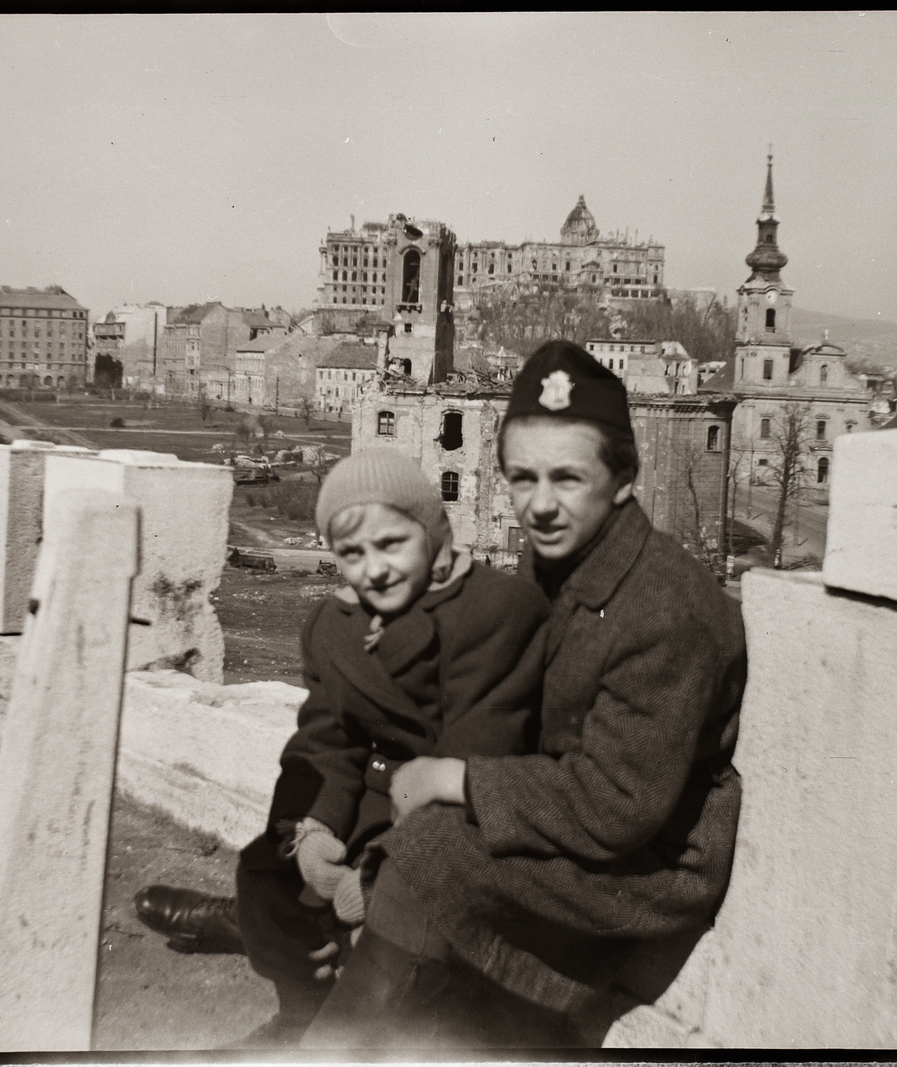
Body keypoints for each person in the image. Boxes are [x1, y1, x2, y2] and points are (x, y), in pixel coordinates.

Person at [299, 340, 747, 1049]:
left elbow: (618, 805)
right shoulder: (563, 553)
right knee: (389, 783)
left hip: (645, 859)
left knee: (434, 853)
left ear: (624, 476)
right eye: (521, 477)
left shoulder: (667, 608)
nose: (539, 505)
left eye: (567, 478)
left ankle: (332, 1047)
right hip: (568, 805)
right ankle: (319, 974)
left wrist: (459, 778)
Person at [134, 449, 550, 1047]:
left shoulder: (493, 611)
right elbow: (324, 738)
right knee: (264, 878)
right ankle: (301, 1011)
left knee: (393, 924)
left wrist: (377, 868)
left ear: (435, 532)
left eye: (392, 544)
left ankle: (333, 1041)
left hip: (458, 817)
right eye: (352, 553)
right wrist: (314, 828)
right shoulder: (333, 625)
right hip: (368, 794)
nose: (374, 570)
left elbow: (476, 756)